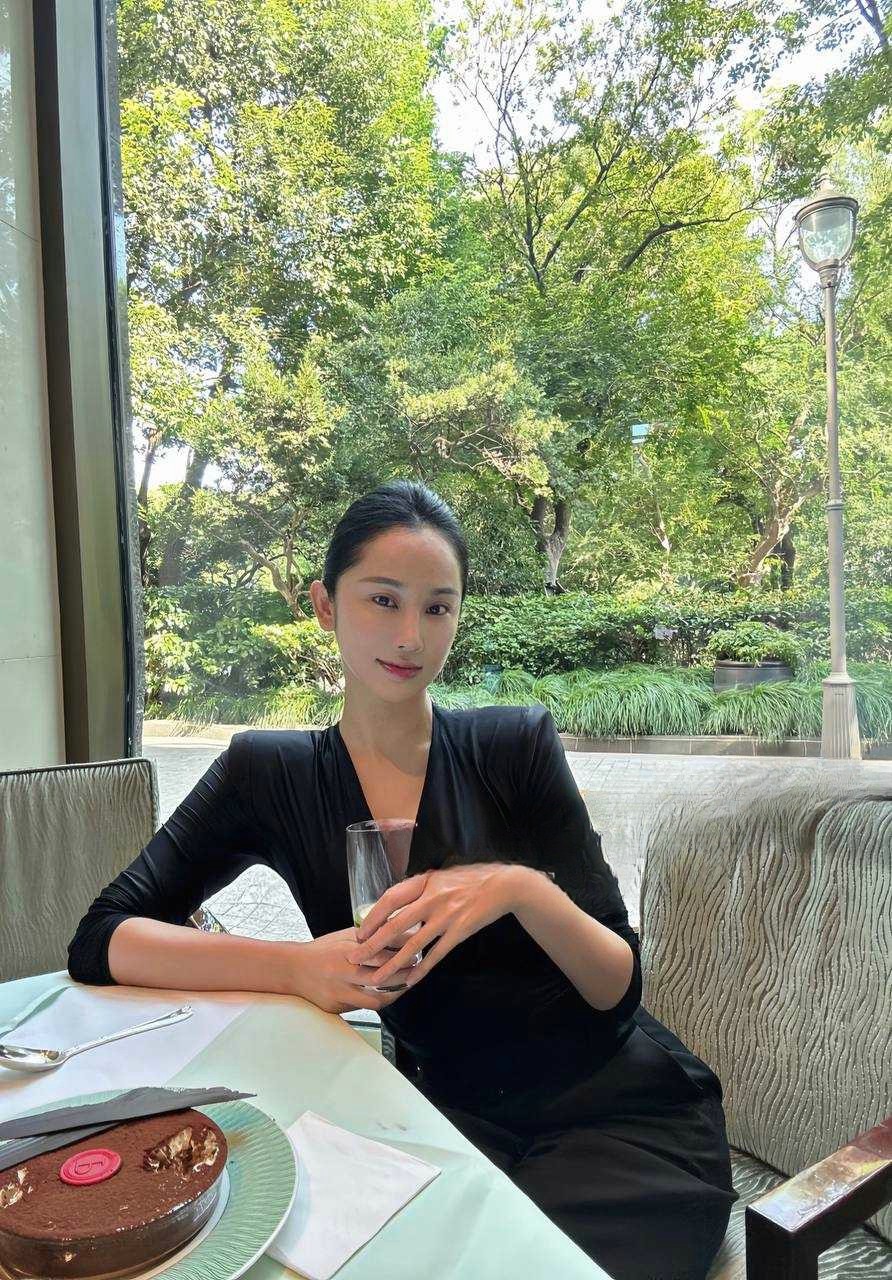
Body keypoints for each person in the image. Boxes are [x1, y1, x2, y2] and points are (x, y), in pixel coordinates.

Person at [69, 480, 736, 1280]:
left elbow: (616, 989)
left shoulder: (513, 747)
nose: (411, 636)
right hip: (439, 1120)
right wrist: (297, 967)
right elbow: (102, 939)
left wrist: (517, 887)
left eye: (437, 608)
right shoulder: (269, 772)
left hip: (615, 1118)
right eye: (383, 600)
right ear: (325, 604)